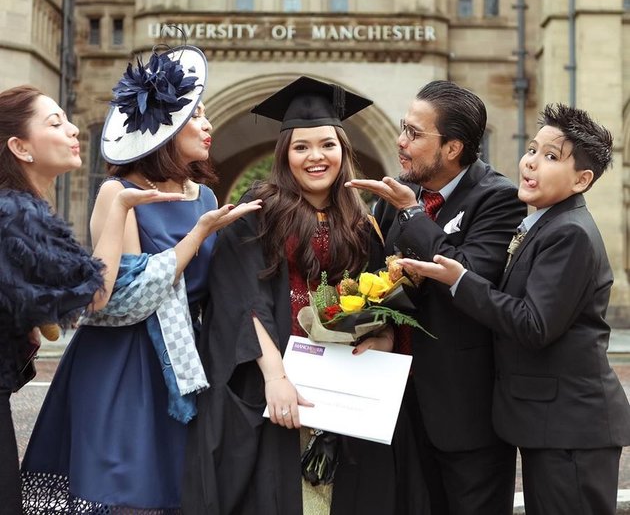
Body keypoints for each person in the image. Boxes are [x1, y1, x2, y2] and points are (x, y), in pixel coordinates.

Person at [21, 45, 261, 513]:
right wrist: (198, 235)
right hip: (121, 363)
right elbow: (122, 298)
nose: (207, 125)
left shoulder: (207, 195)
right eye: (196, 115)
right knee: (120, 495)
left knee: (177, 493)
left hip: (182, 367)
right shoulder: (118, 191)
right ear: (166, 128)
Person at [182, 76, 429, 515]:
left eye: (327, 145)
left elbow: (382, 298)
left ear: (343, 151)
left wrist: (385, 338)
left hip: (344, 386)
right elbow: (240, 297)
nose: (316, 156)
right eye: (301, 147)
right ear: (285, 155)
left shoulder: (361, 220)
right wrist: (275, 377)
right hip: (277, 385)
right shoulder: (258, 212)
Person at [398, 103, 630, 515]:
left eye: (551, 157)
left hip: (572, 429)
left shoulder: (570, 233)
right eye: (533, 149)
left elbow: (534, 324)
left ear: (582, 179)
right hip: (550, 425)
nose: (532, 163)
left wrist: (460, 281)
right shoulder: (545, 223)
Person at [347, 80, 527, 515]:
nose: (400, 141)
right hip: (399, 410)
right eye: (403, 129)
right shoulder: (394, 200)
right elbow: (378, 279)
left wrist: (411, 213)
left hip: (465, 415)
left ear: (452, 148)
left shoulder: (499, 199)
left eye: (413, 133)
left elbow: (467, 277)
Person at [0, 84, 176, 515]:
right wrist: (119, 207)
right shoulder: (16, 213)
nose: (74, 128)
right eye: (55, 123)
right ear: (20, 147)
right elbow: (94, 295)